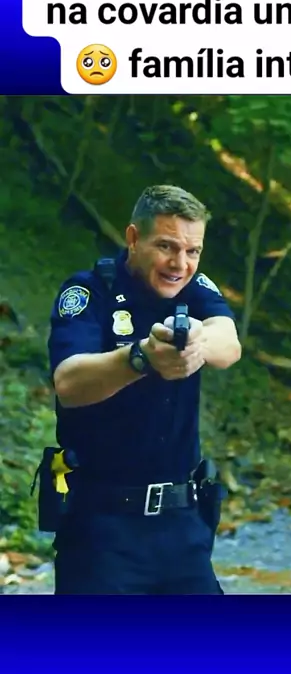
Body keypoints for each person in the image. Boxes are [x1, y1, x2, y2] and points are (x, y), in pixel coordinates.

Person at [47, 184, 241, 594]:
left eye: (193, 251)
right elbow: (68, 382)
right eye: (166, 246)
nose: (180, 263)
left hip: (182, 526)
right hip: (102, 529)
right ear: (133, 238)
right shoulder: (89, 291)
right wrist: (140, 358)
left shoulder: (194, 286)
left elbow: (229, 343)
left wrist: (197, 344)